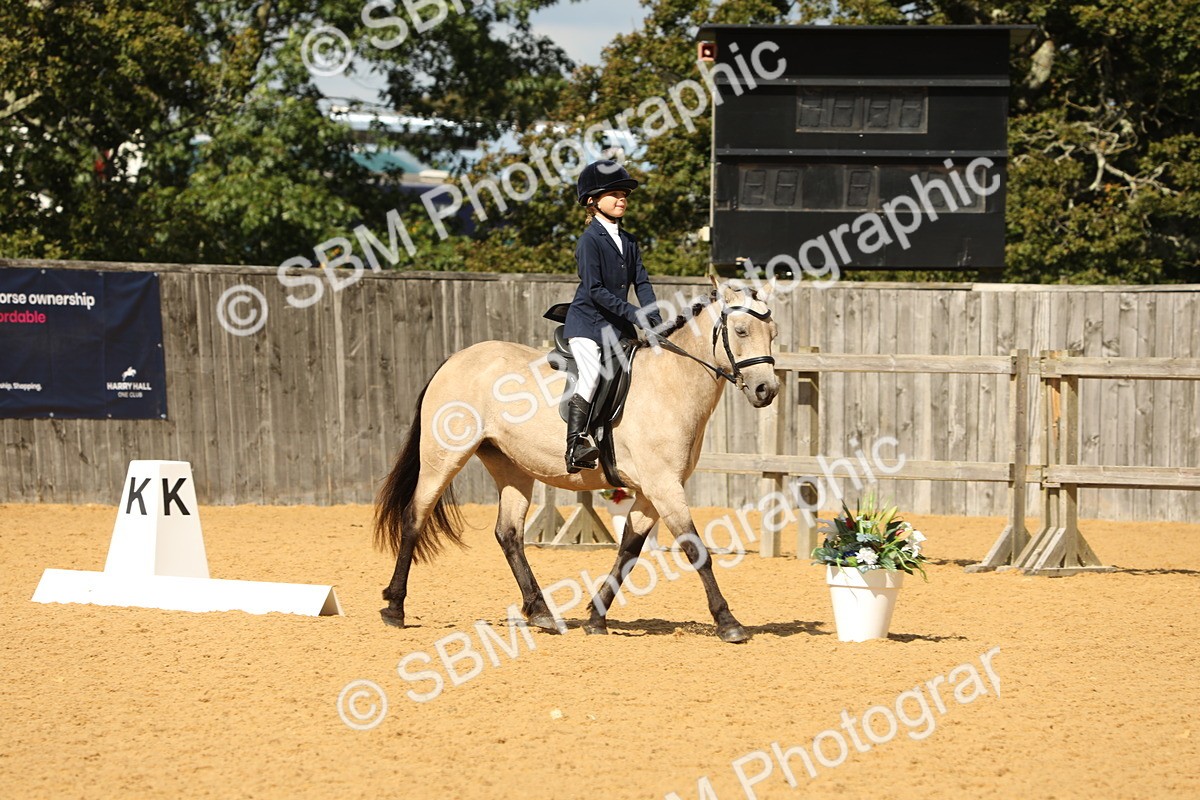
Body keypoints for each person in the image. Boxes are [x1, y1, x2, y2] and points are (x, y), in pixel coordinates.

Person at [563, 159, 663, 473]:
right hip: (588, 324)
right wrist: (636, 314)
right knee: (591, 374)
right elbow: (595, 291)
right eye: (614, 194)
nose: (622, 199)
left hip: (617, 327)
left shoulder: (629, 241)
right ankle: (575, 443)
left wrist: (654, 317)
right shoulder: (589, 241)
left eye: (624, 194)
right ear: (592, 202)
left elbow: (642, 282)